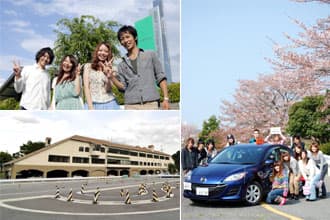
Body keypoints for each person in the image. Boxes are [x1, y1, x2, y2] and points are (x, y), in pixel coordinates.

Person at [111, 25, 169, 110]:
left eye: (127, 37)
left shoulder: (150, 55)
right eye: (122, 39)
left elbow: (160, 77)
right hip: (130, 105)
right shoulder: (121, 65)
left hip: (151, 102)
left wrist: (166, 98)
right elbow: (123, 87)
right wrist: (111, 77)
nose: (125, 40)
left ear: (135, 37)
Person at [83, 42, 120, 110]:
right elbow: (86, 87)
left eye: (106, 51)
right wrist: (90, 107)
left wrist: (108, 75)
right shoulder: (88, 66)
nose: (102, 53)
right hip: (92, 104)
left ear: (109, 53)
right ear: (97, 52)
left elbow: (108, 89)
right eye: (100, 50)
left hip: (110, 104)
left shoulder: (113, 68)